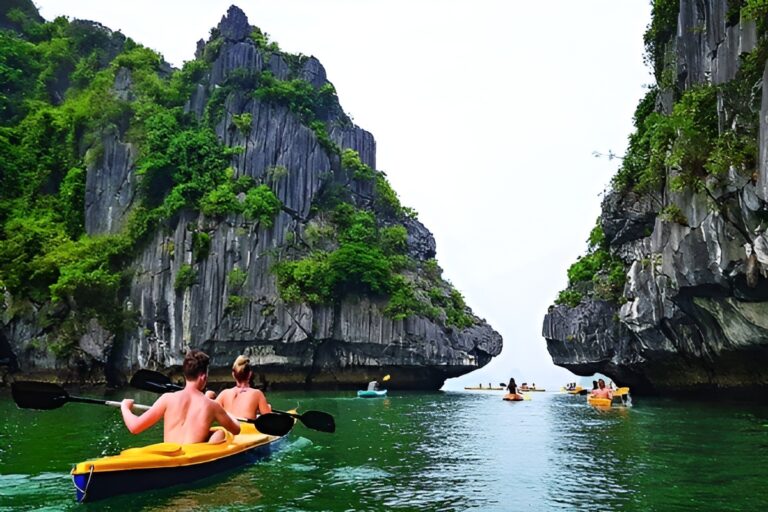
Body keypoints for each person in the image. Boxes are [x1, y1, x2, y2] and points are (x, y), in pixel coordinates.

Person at [121, 349, 241, 444]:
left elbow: (134, 427)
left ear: (185, 374)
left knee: (217, 432)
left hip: (168, 459)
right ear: (203, 377)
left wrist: (125, 407)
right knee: (220, 433)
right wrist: (227, 413)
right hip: (192, 463)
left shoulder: (167, 399)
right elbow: (236, 430)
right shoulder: (213, 406)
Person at [214, 355, 272, 419]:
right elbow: (269, 421)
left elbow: (210, 411)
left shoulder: (224, 394)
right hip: (246, 428)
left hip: (229, 428)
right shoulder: (257, 394)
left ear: (233, 375)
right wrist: (268, 408)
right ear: (249, 374)